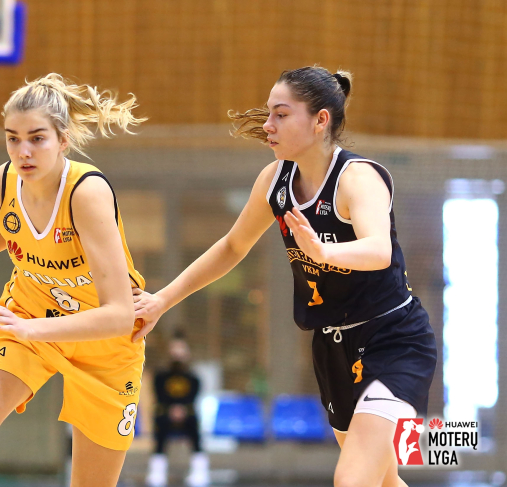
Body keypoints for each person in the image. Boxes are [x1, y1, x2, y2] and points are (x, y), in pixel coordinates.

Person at [133, 66, 437, 487]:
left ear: (320, 120)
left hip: (393, 340)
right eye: (268, 114)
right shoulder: (275, 181)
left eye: (280, 114)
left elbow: (379, 250)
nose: (267, 125)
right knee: (383, 481)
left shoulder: (357, 178)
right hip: (333, 347)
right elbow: (232, 247)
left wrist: (324, 252)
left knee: (352, 480)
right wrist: (161, 300)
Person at [0, 73, 147, 487]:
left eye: (37, 139)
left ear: (63, 140)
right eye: (13, 139)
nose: (22, 151)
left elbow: (119, 315)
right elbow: (9, 227)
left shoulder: (86, 193)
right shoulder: (3, 182)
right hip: (27, 317)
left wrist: (32, 329)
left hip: (104, 343)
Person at [146, 332, 208, 487]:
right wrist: (172, 409)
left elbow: (192, 397)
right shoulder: (161, 376)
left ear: (187, 352)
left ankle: (200, 471)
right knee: (160, 424)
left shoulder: (193, 377)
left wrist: (182, 410)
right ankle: (157, 471)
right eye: (175, 348)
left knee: (195, 425)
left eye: (181, 348)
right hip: (166, 413)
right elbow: (159, 395)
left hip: (187, 414)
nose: (177, 352)